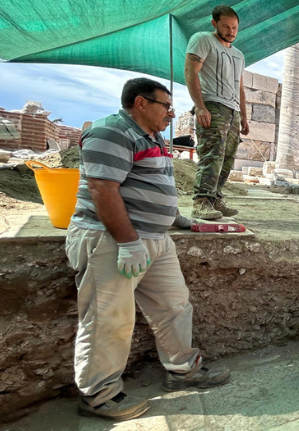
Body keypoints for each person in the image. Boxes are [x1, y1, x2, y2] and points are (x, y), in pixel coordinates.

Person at [66, 78, 230, 420]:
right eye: (165, 106)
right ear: (141, 103)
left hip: (154, 240)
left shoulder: (153, 137)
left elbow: (150, 186)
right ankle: (99, 396)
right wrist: (128, 242)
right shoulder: (112, 131)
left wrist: (178, 220)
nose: (171, 113)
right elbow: (103, 190)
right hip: (112, 241)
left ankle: (182, 370)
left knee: (174, 305)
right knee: (108, 319)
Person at [185, 4, 249, 220]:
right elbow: (190, 71)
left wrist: (244, 117)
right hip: (212, 105)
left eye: (235, 27)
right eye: (226, 26)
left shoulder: (239, 55)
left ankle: (215, 199)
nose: (231, 31)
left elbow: (239, 87)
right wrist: (200, 106)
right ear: (214, 24)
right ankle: (201, 202)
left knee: (228, 158)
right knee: (212, 154)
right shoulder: (203, 40)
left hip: (233, 111)